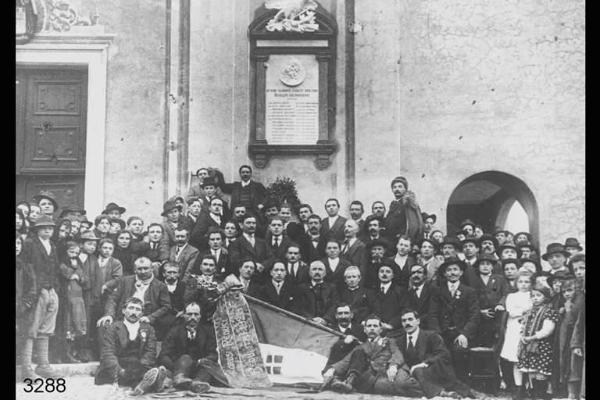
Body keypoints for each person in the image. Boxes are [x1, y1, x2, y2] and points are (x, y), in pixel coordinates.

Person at [322, 315, 421, 396]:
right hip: (372, 376)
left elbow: (397, 354)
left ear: (380, 329)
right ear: (365, 330)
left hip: (389, 372)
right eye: (369, 326)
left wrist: (393, 365)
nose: (372, 328)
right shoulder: (360, 347)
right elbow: (346, 361)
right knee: (379, 385)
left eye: (375, 326)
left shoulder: (390, 341)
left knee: (401, 384)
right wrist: (332, 369)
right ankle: (348, 382)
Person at [95, 297, 166, 396]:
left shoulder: (148, 329)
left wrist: (141, 366)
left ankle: (143, 384)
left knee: (140, 367)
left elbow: (150, 352)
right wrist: (120, 371)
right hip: (119, 365)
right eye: (131, 308)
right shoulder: (113, 328)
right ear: (124, 311)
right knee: (127, 372)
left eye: (138, 309)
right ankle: (151, 384)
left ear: (142, 313)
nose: (134, 312)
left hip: (138, 365)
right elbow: (108, 353)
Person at [397, 309, 474, 398]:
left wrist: (424, 364)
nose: (407, 323)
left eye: (410, 319)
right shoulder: (400, 341)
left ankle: (439, 394)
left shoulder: (431, 336)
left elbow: (443, 354)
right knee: (401, 384)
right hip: (413, 376)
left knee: (417, 373)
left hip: (432, 370)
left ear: (418, 321)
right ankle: (442, 393)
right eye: (404, 321)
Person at [20, 215, 62, 378]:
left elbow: (56, 268)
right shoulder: (30, 244)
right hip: (36, 291)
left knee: (46, 328)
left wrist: (54, 288)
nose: (47, 230)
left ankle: (43, 365)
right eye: (44, 227)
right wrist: (35, 289)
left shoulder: (52, 245)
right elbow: (26, 268)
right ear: (37, 229)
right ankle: (27, 368)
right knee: (31, 328)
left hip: (51, 290)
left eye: (50, 227)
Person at [98, 257, 171, 340]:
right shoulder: (125, 281)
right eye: (139, 269)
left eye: (146, 268)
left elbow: (166, 306)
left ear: (151, 269)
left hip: (144, 319)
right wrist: (109, 315)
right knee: (104, 325)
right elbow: (113, 299)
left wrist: (150, 318)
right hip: (123, 318)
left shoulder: (160, 286)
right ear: (135, 270)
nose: (143, 271)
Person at [158, 302, 223, 393]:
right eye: (189, 314)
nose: (193, 317)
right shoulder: (174, 331)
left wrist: (203, 361)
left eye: (196, 314)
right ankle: (179, 379)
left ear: (200, 316)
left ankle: (196, 383)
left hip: (198, 367)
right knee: (186, 358)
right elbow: (164, 355)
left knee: (208, 369)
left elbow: (213, 354)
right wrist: (176, 368)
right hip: (179, 368)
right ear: (184, 315)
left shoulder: (207, 332)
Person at [434, 257, 480, 383]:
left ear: (461, 272)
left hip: (461, 333)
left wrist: (464, 334)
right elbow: (432, 314)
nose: (452, 272)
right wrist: (437, 334)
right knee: (439, 353)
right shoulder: (438, 291)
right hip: (443, 333)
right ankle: (444, 384)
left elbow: (474, 315)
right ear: (444, 273)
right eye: (449, 270)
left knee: (459, 352)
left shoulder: (469, 291)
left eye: (455, 269)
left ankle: (461, 384)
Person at [517, 284, 559, 400]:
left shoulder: (548, 311)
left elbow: (547, 330)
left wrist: (532, 338)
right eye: (533, 296)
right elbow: (523, 326)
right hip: (528, 345)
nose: (535, 298)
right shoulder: (529, 311)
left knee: (540, 370)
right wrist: (522, 336)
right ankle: (533, 392)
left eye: (538, 295)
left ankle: (540, 394)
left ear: (545, 297)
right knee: (531, 369)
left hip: (542, 346)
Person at [497, 271, 533, 399]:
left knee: (528, 358)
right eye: (521, 282)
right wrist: (525, 310)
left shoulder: (533, 295)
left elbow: (535, 309)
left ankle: (529, 387)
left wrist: (525, 311)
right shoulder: (511, 296)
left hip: (530, 330)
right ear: (516, 283)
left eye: (527, 282)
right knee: (516, 359)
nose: (523, 284)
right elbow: (511, 312)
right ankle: (518, 387)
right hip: (514, 329)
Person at [58, 241, 89, 363]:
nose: (74, 255)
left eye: (76, 253)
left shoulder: (78, 264)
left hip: (78, 298)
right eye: (71, 252)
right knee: (67, 324)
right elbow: (68, 274)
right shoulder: (62, 263)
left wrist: (78, 274)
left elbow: (84, 279)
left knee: (78, 324)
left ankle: (74, 352)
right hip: (67, 297)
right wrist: (76, 273)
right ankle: (65, 353)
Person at [471, 253, 510, 347]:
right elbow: (470, 299)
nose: (485, 266)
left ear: (492, 266)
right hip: (479, 317)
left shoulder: (500, 279)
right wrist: (480, 311)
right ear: (478, 266)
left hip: (496, 316)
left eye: (488, 264)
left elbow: (505, 294)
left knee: (496, 342)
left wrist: (501, 304)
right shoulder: (473, 280)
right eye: (482, 264)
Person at [294, 261, 339, 325]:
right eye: (314, 269)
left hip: (327, 325)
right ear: (309, 272)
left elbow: (335, 305)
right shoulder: (301, 288)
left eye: (320, 269)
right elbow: (298, 306)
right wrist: (311, 319)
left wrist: (325, 319)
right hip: (306, 323)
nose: (317, 272)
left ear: (325, 273)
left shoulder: (332, 288)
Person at [323, 303, 368, 368]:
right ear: (336, 316)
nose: (343, 316)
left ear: (352, 315)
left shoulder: (362, 331)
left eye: (346, 313)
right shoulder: (329, 330)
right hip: (331, 366)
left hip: (353, 368)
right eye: (340, 313)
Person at [16, 235, 37, 368]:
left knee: (21, 333)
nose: (16, 246)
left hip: (20, 308)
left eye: (18, 243)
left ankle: (24, 367)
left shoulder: (24, 266)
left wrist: (25, 304)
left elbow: (31, 289)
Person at [401, 264, 440, 331]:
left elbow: (433, 312)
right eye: (413, 273)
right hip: (413, 328)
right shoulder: (407, 294)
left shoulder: (433, 290)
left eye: (419, 272)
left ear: (425, 275)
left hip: (430, 327)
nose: (416, 275)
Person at [385, 176, 424, 243]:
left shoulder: (410, 203)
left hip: (404, 241)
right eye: (394, 187)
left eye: (400, 187)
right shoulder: (393, 204)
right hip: (391, 240)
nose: (397, 189)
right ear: (392, 190)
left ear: (405, 189)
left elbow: (415, 225)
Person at [373, 264, 407, 337]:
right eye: (382, 271)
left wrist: (392, 324)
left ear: (393, 275)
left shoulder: (400, 291)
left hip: (394, 330)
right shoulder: (372, 290)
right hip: (374, 329)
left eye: (388, 272)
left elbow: (404, 310)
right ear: (378, 274)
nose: (384, 274)